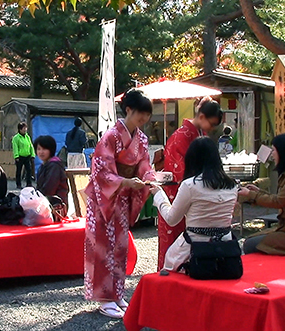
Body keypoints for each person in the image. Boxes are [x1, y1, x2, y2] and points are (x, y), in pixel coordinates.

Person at [84, 88, 155, 319]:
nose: (143, 119)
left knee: (120, 247)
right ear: (128, 110)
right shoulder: (111, 136)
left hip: (123, 197)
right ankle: (104, 298)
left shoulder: (141, 139)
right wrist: (125, 181)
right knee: (104, 247)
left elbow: (144, 164)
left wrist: (150, 179)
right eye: (139, 114)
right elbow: (101, 171)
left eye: (146, 115)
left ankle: (117, 293)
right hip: (104, 199)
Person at [150, 137, 238, 271]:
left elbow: (172, 219)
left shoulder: (191, 185)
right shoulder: (232, 185)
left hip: (193, 251)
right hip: (225, 251)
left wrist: (159, 194)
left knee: (170, 263)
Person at [158, 96, 223, 270]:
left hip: (195, 193)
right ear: (201, 117)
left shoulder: (200, 135)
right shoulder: (180, 137)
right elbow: (178, 172)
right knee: (174, 245)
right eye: (212, 123)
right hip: (179, 194)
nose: (212, 127)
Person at [34, 135, 69, 207]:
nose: (41, 152)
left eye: (44, 149)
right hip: (45, 203)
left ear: (51, 150)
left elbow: (49, 190)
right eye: (39, 149)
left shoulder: (54, 166)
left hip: (56, 206)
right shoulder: (43, 165)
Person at [12, 122, 35, 189]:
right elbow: (15, 147)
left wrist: (32, 154)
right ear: (20, 129)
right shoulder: (16, 138)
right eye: (23, 128)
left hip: (27, 156)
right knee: (19, 171)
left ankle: (29, 183)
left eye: (26, 128)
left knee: (29, 170)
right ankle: (18, 184)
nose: (25, 129)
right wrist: (16, 156)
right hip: (20, 156)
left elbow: (31, 146)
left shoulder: (27, 136)